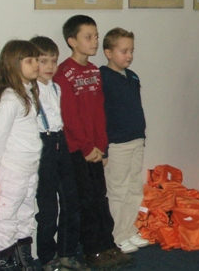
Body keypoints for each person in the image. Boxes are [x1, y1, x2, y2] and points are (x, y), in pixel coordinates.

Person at [53, 15, 132, 270]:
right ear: (72, 41)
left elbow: (99, 112)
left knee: (100, 197)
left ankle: (107, 244)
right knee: (85, 200)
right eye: (88, 37)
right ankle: (92, 249)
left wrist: (101, 146)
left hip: (96, 149)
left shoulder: (94, 72)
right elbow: (69, 117)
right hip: (77, 150)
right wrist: (87, 147)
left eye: (96, 36)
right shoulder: (64, 74)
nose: (95, 41)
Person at [28, 36, 87, 271]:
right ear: (33, 62)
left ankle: (67, 252)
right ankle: (47, 256)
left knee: (71, 200)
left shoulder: (56, 87)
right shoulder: (29, 91)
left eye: (53, 61)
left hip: (60, 143)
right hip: (43, 145)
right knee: (48, 207)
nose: (50, 66)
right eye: (43, 61)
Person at [0, 40, 43, 271]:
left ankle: (24, 262)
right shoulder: (9, 99)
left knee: (26, 215)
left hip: (29, 168)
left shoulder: (27, 93)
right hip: (12, 170)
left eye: (36, 60)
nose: (36, 65)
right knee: (6, 219)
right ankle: (7, 264)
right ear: (13, 64)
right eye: (30, 61)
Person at [100, 28, 151, 250]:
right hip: (117, 144)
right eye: (124, 51)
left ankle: (129, 230)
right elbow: (101, 115)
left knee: (134, 188)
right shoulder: (103, 77)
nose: (129, 55)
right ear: (108, 53)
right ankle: (116, 235)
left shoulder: (132, 77)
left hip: (136, 140)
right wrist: (103, 148)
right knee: (118, 191)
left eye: (131, 51)